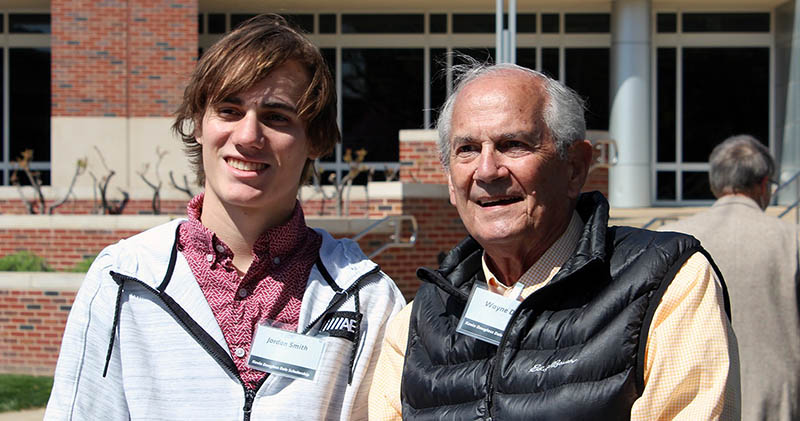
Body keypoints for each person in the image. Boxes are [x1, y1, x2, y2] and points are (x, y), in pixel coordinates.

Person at [45, 14, 405, 420]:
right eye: (230, 110)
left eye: (277, 117)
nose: (249, 136)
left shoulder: (367, 296)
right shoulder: (124, 278)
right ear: (198, 124)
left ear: (316, 139)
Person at [368, 61, 740, 420]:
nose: (486, 170)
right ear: (450, 181)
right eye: (467, 149)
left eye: (512, 144)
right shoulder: (418, 321)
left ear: (575, 167)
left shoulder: (667, 283)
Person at [660, 134, 800, 421]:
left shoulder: (668, 241)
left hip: (695, 404)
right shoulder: (791, 239)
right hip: (777, 400)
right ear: (764, 185)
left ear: (715, 184)